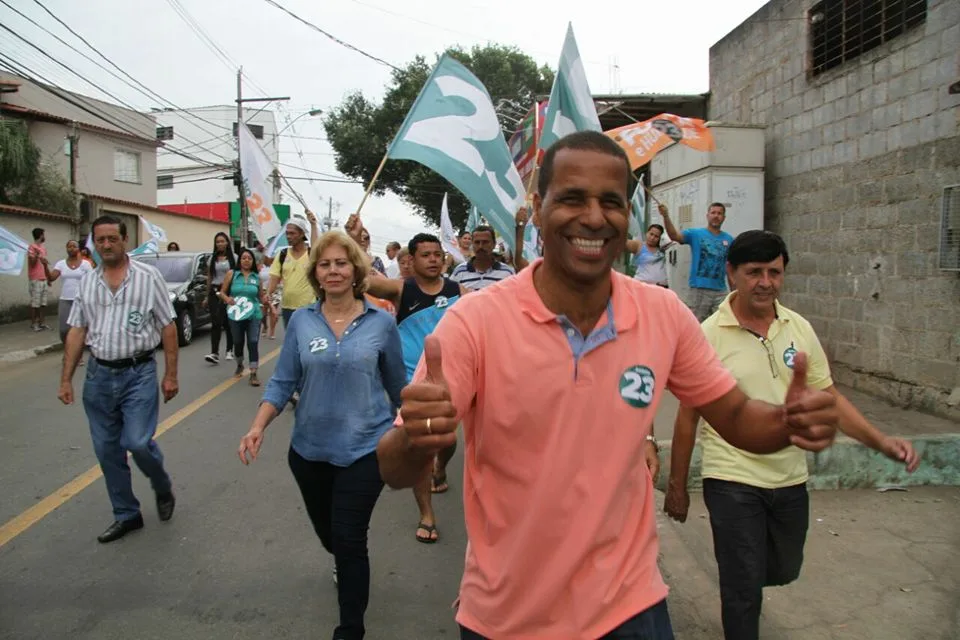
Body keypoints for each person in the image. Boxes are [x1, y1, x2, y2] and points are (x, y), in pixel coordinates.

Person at [375, 131, 839, 639]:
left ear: (627, 217)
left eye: (610, 202)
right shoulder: (473, 323)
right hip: (506, 617)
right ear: (539, 206)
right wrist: (419, 436)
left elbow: (736, 418)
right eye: (572, 198)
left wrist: (786, 422)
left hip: (631, 609)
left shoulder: (663, 315)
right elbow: (394, 469)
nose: (594, 217)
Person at [664, 230, 920, 640]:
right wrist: (677, 485)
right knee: (742, 588)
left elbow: (829, 399)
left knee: (782, 568)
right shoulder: (707, 336)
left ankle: (745, 576)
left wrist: (881, 442)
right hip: (731, 478)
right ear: (731, 273)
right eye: (754, 272)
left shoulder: (798, 328)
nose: (765, 282)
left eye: (774, 272)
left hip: (789, 478)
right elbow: (686, 418)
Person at [238, 230, 406, 640]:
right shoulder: (302, 322)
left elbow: (399, 388)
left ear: (356, 271)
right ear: (316, 273)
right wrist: (258, 426)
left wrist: (412, 434)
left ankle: (351, 629)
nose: (333, 271)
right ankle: (340, 558)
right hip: (309, 452)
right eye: (325, 264)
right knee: (330, 535)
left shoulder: (381, 323)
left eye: (341, 263)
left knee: (349, 539)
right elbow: (281, 382)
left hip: (366, 449)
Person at [57, 215, 178, 544]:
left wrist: (170, 374)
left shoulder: (148, 277)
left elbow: (168, 325)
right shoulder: (87, 281)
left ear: (125, 240)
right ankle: (126, 514)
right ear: (94, 244)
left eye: (113, 238)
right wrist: (66, 379)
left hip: (138, 373)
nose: (106, 245)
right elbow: (77, 330)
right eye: (100, 240)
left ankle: (162, 485)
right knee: (107, 451)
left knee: (137, 442)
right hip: (98, 376)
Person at [350, 217, 469, 544]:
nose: (433, 259)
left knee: (447, 442)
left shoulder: (460, 292)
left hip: (449, 383)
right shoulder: (401, 290)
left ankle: (441, 468)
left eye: (437, 254)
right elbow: (361, 278)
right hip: (409, 385)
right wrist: (354, 243)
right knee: (419, 446)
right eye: (425, 254)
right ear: (411, 260)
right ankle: (426, 514)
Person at [660, 202, 734, 321]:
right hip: (698, 290)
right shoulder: (695, 234)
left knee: (723, 322)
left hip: (720, 291)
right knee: (694, 325)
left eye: (720, 213)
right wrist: (666, 216)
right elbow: (674, 236)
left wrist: (734, 290)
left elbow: (730, 266)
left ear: (724, 218)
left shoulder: (729, 239)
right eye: (713, 212)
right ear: (707, 215)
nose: (716, 216)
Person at [219, 248, 265, 386]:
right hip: (236, 314)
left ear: (253, 261)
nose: (246, 260)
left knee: (252, 341)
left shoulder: (257, 278)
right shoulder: (232, 274)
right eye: (244, 258)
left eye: (249, 258)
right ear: (240, 260)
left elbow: (261, 297)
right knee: (238, 341)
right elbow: (222, 292)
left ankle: (253, 373)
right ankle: (239, 364)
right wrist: (227, 299)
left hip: (254, 314)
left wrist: (267, 300)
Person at [267, 217, 318, 329]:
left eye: (292, 233)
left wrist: (313, 224)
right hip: (287, 307)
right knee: (291, 341)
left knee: (305, 340)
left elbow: (316, 246)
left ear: (301, 234)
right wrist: (268, 295)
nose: (288, 236)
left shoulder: (310, 254)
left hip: (308, 306)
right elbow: (274, 278)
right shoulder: (282, 254)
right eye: (287, 233)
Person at [47, 239, 94, 343]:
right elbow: (51, 278)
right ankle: (68, 348)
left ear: (79, 249)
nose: (72, 248)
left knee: (80, 328)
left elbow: (92, 280)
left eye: (74, 246)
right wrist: (44, 266)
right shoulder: (61, 264)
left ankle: (78, 353)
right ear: (66, 249)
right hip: (65, 300)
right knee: (64, 330)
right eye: (69, 246)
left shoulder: (85, 264)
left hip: (81, 300)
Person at [450, 225, 516, 291]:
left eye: (485, 242)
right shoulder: (459, 271)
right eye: (477, 242)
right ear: (472, 244)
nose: (480, 246)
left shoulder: (507, 273)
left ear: (494, 244)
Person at [204, 232, 236, 364]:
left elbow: (236, 276)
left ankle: (229, 349)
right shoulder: (212, 259)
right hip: (215, 291)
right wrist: (206, 297)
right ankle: (214, 352)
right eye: (218, 242)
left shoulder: (234, 258)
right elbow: (210, 278)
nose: (220, 244)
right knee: (215, 322)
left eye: (223, 241)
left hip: (228, 291)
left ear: (227, 243)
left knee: (227, 322)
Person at [626, 219, 669, 287]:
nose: (652, 238)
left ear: (660, 239)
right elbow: (621, 242)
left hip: (660, 288)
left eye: (656, 236)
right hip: (642, 287)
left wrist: (665, 216)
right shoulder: (639, 246)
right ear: (647, 233)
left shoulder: (662, 248)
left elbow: (673, 236)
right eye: (651, 234)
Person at [27, 227, 50, 332]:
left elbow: (44, 264)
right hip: (35, 279)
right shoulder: (31, 247)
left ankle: (42, 322)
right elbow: (32, 263)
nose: (44, 236)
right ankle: (34, 323)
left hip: (43, 278)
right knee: (35, 303)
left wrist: (48, 278)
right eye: (43, 234)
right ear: (40, 235)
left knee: (43, 303)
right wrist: (36, 255)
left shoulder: (43, 248)